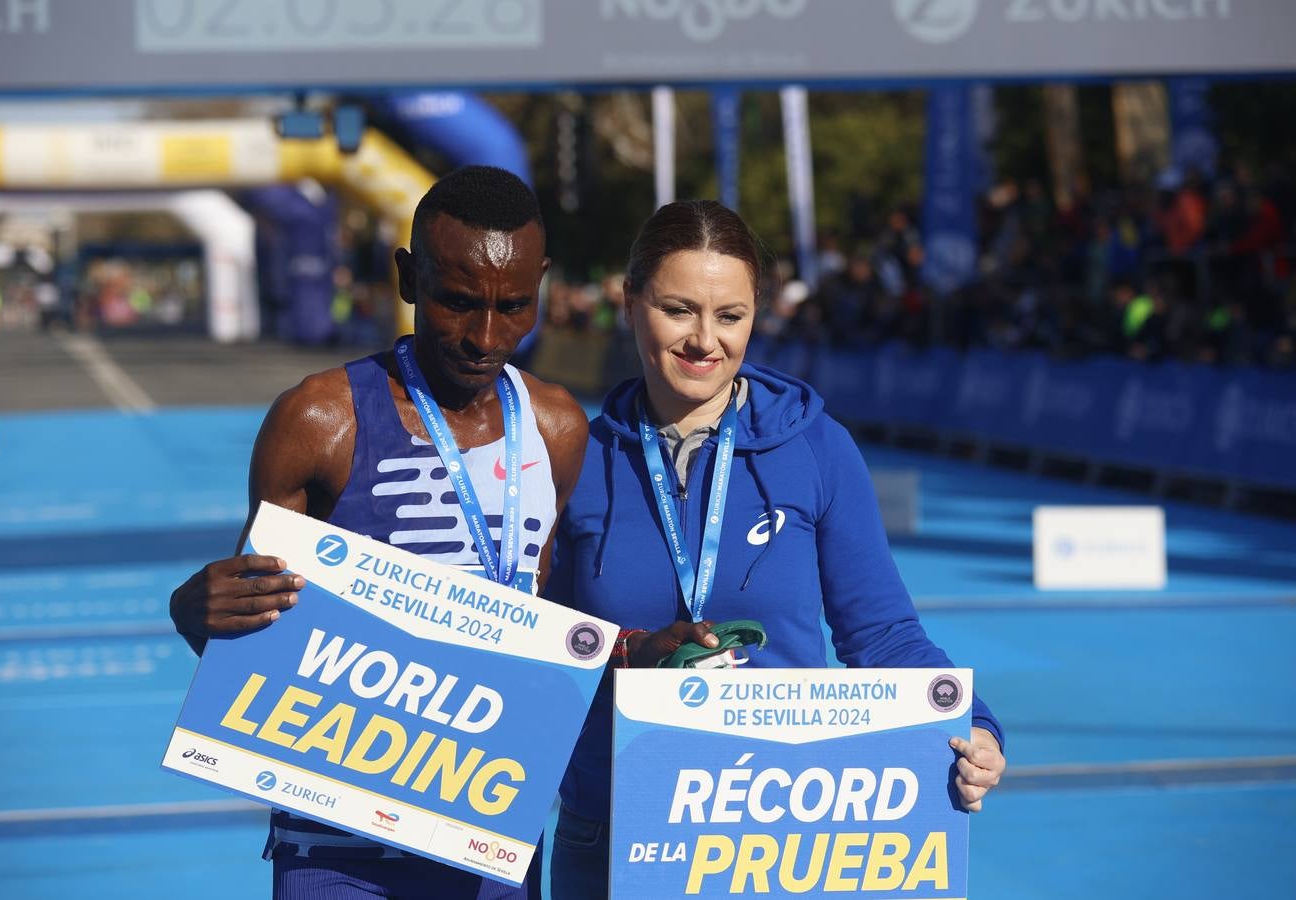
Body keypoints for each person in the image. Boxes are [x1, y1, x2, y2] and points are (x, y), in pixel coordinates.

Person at [542, 200, 1007, 898]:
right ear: (631, 302)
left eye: (730, 316)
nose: (705, 340)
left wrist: (974, 725)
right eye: (678, 309)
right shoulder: (574, 457)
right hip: (612, 830)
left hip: (773, 829)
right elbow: (538, 643)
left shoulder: (816, 448)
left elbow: (880, 633)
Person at [168, 166, 588, 899]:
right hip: (338, 850)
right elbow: (252, 630)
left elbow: (548, 619)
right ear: (406, 277)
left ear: (542, 284)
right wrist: (197, 612)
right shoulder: (321, 420)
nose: (485, 337)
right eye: (457, 302)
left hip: (489, 838)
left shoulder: (556, 428)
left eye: (515, 306)